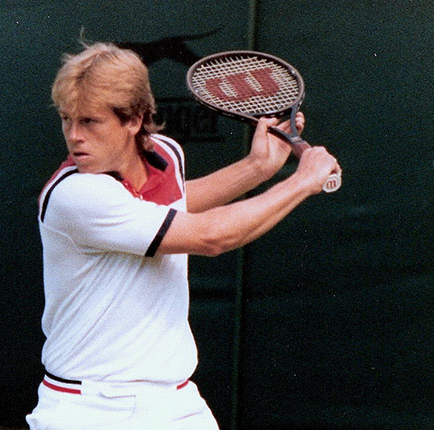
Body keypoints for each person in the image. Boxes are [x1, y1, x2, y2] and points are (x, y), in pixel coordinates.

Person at [26, 42, 340, 430]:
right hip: (89, 406)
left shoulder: (164, 154)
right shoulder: (76, 196)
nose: (74, 136)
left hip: (174, 401)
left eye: (89, 121)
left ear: (134, 119)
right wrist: (302, 181)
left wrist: (257, 167)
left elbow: (172, 207)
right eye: (66, 119)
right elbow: (210, 237)